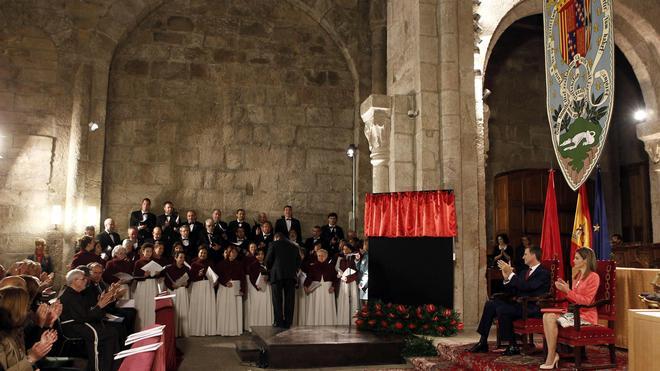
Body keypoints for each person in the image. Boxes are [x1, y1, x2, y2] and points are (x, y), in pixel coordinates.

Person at [470, 245, 550, 356]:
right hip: (519, 305)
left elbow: (527, 287)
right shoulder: (523, 273)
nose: (522, 257)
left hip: (532, 307)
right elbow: (514, 290)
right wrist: (506, 278)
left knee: (503, 309)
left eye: (525, 254)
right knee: (491, 304)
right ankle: (483, 341)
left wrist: (511, 274)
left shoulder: (543, 273)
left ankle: (512, 345)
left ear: (533, 255)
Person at [540, 247, 600, 369]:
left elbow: (587, 302)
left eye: (577, 258)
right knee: (547, 315)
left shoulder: (594, 277)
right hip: (574, 313)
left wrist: (568, 291)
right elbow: (574, 299)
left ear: (586, 260)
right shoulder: (577, 276)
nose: (573, 260)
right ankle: (553, 354)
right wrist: (566, 289)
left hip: (586, 316)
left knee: (550, 317)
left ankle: (551, 356)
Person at [59, 269, 120, 371]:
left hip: (80, 323)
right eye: (83, 279)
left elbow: (86, 312)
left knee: (112, 332)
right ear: (74, 281)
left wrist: (99, 305)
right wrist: (99, 306)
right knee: (108, 334)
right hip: (74, 327)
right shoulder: (69, 295)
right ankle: (99, 368)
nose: (86, 281)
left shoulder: (77, 293)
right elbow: (83, 317)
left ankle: (110, 367)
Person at [0, 286, 58, 371]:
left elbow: (22, 356)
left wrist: (42, 346)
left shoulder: (16, 331)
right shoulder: (3, 337)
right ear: (16, 310)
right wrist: (31, 358)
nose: (29, 311)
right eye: (27, 307)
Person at [85, 262, 135, 347]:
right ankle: (122, 347)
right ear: (89, 273)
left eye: (100, 273)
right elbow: (96, 304)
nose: (98, 275)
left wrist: (115, 296)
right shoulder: (88, 286)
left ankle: (128, 342)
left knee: (131, 312)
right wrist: (112, 294)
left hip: (107, 309)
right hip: (99, 314)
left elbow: (108, 301)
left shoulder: (102, 283)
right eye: (95, 273)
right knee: (121, 322)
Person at [266, 232, 301, 328]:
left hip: (277, 275)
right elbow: (299, 262)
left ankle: (278, 321)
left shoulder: (273, 244)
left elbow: (268, 260)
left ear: (276, 237)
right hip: (290, 276)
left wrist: (270, 269)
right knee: (289, 300)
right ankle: (288, 322)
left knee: (277, 300)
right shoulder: (294, 246)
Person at [215, 246, 246, 336]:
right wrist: (225, 282)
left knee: (234, 309)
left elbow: (243, 278)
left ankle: (234, 330)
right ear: (228, 253)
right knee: (224, 308)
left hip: (236, 288)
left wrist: (242, 289)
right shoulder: (221, 264)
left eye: (236, 252)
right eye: (232, 252)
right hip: (224, 289)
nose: (234, 254)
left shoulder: (239, 264)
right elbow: (218, 276)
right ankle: (223, 330)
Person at [304, 249, 338, 326]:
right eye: (319, 256)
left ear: (326, 257)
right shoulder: (313, 266)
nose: (321, 257)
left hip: (327, 290)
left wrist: (333, 287)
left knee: (327, 307)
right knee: (316, 307)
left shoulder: (331, 267)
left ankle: (328, 323)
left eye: (322, 256)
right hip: (316, 291)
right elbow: (309, 277)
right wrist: (305, 286)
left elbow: (335, 279)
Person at [188, 248, 216, 336]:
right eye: (201, 253)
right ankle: (197, 329)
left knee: (207, 306)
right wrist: (198, 275)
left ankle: (208, 329)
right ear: (198, 253)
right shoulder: (194, 264)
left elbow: (214, 275)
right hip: (197, 286)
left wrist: (214, 280)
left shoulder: (210, 263)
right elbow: (191, 278)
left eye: (204, 253)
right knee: (198, 306)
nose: (203, 254)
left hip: (208, 286)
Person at [133, 243, 160, 330]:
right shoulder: (138, 262)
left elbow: (157, 275)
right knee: (143, 305)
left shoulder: (153, 262)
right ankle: (141, 328)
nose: (149, 253)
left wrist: (157, 273)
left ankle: (151, 327)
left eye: (150, 251)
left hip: (152, 285)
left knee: (152, 305)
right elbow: (136, 277)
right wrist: (144, 275)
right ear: (143, 251)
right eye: (147, 251)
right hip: (143, 286)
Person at [163, 251, 191, 337]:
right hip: (173, 292)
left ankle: (183, 332)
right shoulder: (169, 268)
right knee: (175, 312)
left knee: (183, 311)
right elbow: (166, 281)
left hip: (183, 292)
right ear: (176, 258)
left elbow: (189, 280)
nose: (182, 259)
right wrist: (172, 286)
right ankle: (173, 332)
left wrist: (187, 284)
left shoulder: (187, 269)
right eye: (180, 257)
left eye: (183, 258)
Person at [246, 248, 273, 332]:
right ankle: (256, 326)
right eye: (258, 254)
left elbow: (271, 274)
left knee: (266, 305)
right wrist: (256, 285)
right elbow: (251, 277)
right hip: (257, 289)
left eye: (262, 254)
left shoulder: (268, 264)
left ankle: (267, 325)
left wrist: (268, 278)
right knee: (258, 306)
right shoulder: (252, 265)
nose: (260, 256)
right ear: (255, 256)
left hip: (267, 287)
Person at [336, 244, 359, 325]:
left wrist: (349, 278)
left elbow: (357, 270)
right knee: (343, 299)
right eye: (343, 249)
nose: (344, 251)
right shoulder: (341, 259)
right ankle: (343, 321)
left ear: (350, 250)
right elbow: (339, 269)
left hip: (352, 281)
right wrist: (340, 274)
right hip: (344, 281)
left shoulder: (354, 258)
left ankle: (354, 321)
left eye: (346, 249)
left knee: (353, 299)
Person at [357, 239, 369, 304]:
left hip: (366, 283)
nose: (363, 246)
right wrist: (357, 260)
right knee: (363, 304)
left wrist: (363, 284)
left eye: (364, 244)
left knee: (366, 303)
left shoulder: (368, 256)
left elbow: (367, 272)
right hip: (362, 281)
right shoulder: (364, 255)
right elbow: (359, 268)